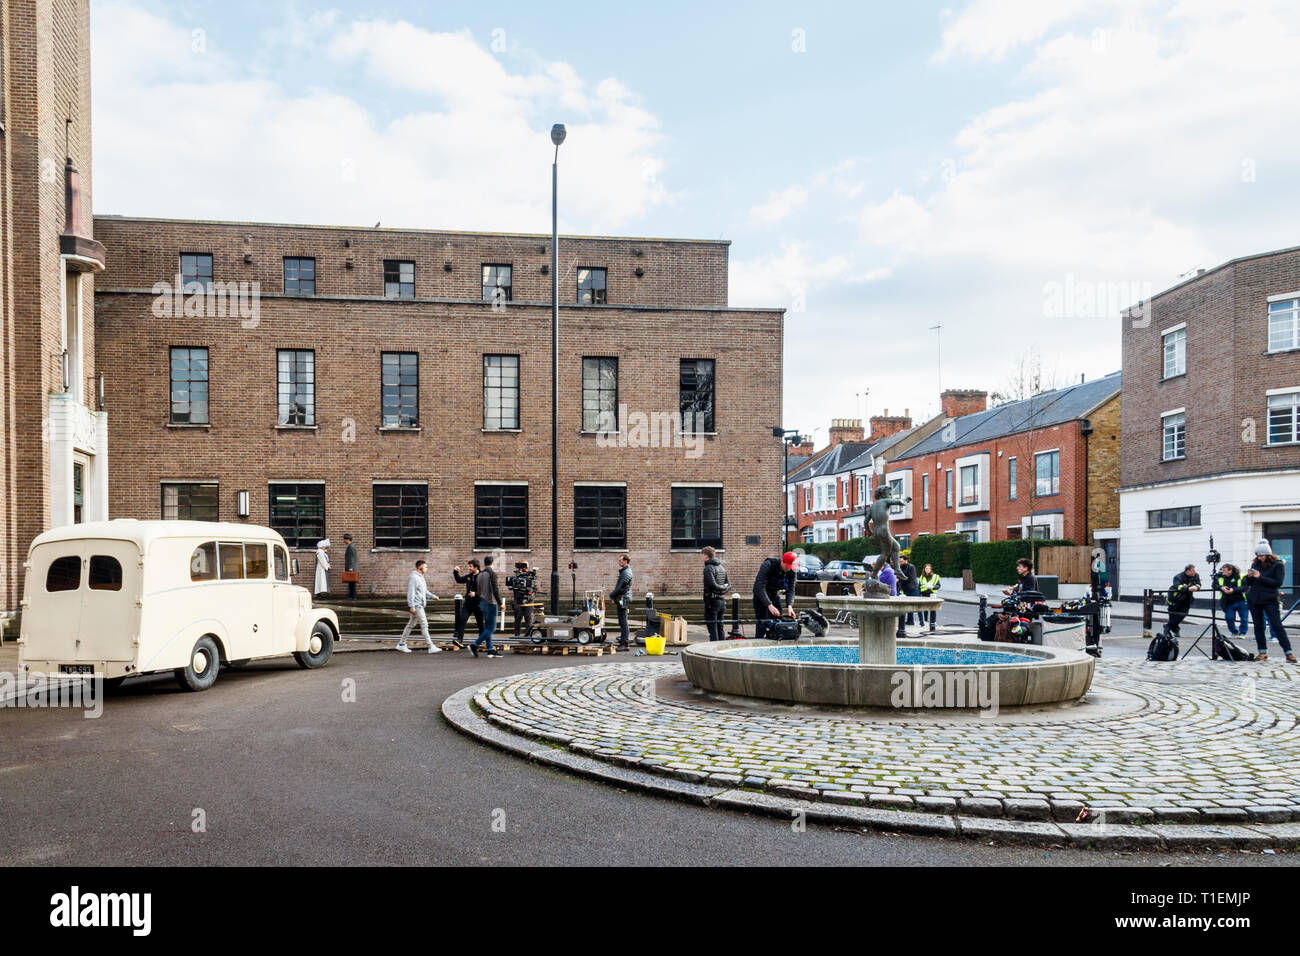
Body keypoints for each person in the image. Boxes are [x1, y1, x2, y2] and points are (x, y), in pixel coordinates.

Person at [1245, 541, 1295, 663]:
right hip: (1255, 599)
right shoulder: (1255, 564)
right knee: (1259, 626)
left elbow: (1277, 582)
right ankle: (1262, 652)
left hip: (1270, 600)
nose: (1258, 557)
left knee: (1277, 625)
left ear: (1268, 555)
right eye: (1257, 555)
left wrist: (1260, 577)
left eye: (1261, 555)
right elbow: (1249, 583)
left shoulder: (1277, 565)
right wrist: (1249, 577)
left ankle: (1288, 653)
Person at [398, 559, 441, 654]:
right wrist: (412, 606)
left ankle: (401, 644)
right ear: (420, 567)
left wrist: (433, 596)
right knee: (424, 624)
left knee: (411, 624)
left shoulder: (421, 577)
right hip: (417, 605)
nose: (427, 569)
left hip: (420, 604)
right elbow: (411, 593)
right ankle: (431, 646)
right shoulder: (414, 578)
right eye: (426, 567)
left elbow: (425, 591)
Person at [752, 552, 797, 639]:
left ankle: (775, 642)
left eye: (791, 566)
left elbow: (791, 589)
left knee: (778, 621)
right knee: (762, 623)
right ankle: (760, 642)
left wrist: (790, 605)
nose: (789, 569)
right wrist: (769, 605)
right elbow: (759, 587)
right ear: (782, 561)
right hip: (761, 595)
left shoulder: (792, 569)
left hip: (774, 594)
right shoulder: (768, 565)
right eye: (787, 566)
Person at [472, 556, 504, 658]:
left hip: (482, 603)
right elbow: (495, 590)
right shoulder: (492, 574)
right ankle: (474, 645)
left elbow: (479, 590)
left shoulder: (480, 574)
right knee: (492, 628)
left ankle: (490, 649)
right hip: (491, 603)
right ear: (492, 563)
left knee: (487, 627)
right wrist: (500, 603)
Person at [702, 546, 730, 642]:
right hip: (722, 600)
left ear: (706, 556)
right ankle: (721, 648)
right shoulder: (721, 567)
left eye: (702, 555)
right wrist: (723, 590)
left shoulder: (708, 568)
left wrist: (719, 589)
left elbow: (713, 585)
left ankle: (713, 649)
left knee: (712, 627)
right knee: (720, 626)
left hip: (712, 601)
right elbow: (728, 586)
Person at [451, 559, 481, 649]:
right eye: (469, 566)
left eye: (470, 566)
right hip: (468, 603)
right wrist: (455, 572)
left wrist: (476, 594)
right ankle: (459, 640)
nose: (469, 568)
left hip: (478, 604)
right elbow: (459, 580)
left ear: (476, 567)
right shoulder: (469, 577)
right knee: (462, 619)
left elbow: (486, 591)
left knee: (480, 624)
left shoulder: (482, 577)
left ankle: (481, 641)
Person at [1165, 563, 1200, 639]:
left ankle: (1167, 627)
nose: (1194, 572)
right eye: (1193, 571)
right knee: (1173, 616)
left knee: (1183, 614)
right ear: (1187, 571)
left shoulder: (1196, 575)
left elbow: (1199, 584)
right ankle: (1174, 631)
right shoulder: (1178, 577)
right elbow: (1178, 586)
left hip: (1186, 599)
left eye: (1195, 570)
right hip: (1174, 599)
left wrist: (1196, 587)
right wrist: (1188, 588)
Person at [1215, 562, 1249, 638]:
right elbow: (1214, 585)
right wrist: (1221, 587)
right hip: (1228, 602)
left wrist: (1233, 590)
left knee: (1244, 618)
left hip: (1241, 601)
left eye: (1224, 571)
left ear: (1230, 571)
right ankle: (1234, 632)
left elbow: (1245, 587)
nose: (1223, 572)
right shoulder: (1221, 577)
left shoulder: (1241, 576)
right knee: (1229, 618)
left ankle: (1243, 633)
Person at [610, 553, 633, 649]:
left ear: (625, 561)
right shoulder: (625, 571)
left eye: (620, 560)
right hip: (623, 599)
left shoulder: (626, 573)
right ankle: (624, 640)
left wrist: (611, 595)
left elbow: (620, 588)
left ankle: (625, 643)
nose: (619, 562)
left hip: (623, 599)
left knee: (623, 621)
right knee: (622, 620)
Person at [510, 561, 536, 638]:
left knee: (528, 618)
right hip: (518, 600)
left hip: (529, 600)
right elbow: (511, 587)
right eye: (523, 566)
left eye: (526, 566)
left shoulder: (531, 576)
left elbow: (536, 587)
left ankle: (528, 636)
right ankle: (517, 635)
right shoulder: (516, 576)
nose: (525, 568)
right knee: (518, 618)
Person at [898, 554, 920, 628]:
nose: (900, 562)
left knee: (917, 606)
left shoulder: (911, 567)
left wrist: (898, 579)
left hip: (913, 588)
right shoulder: (901, 567)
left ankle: (922, 622)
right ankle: (910, 621)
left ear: (906, 560)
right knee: (908, 606)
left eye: (901, 561)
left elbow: (907, 577)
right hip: (906, 589)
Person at [918, 562, 941, 632]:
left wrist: (933, 587)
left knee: (933, 608)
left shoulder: (936, 576)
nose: (927, 570)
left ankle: (933, 622)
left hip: (932, 594)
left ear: (931, 569)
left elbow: (938, 585)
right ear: (924, 569)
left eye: (929, 568)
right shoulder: (922, 577)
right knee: (925, 608)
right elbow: (919, 586)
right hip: (924, 594)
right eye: (926, 568)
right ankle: (925, 620)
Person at [343, 534, 358, 600]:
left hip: (351, 568)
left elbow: (351, 557)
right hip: (351, 567)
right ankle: (352, 596)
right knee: (351, 582)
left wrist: (350, 567)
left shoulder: (351, 547)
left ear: (347, 539)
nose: (344, 541)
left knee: (352, 583)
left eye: (344, 539)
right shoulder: (350, 546)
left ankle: (353, 596)